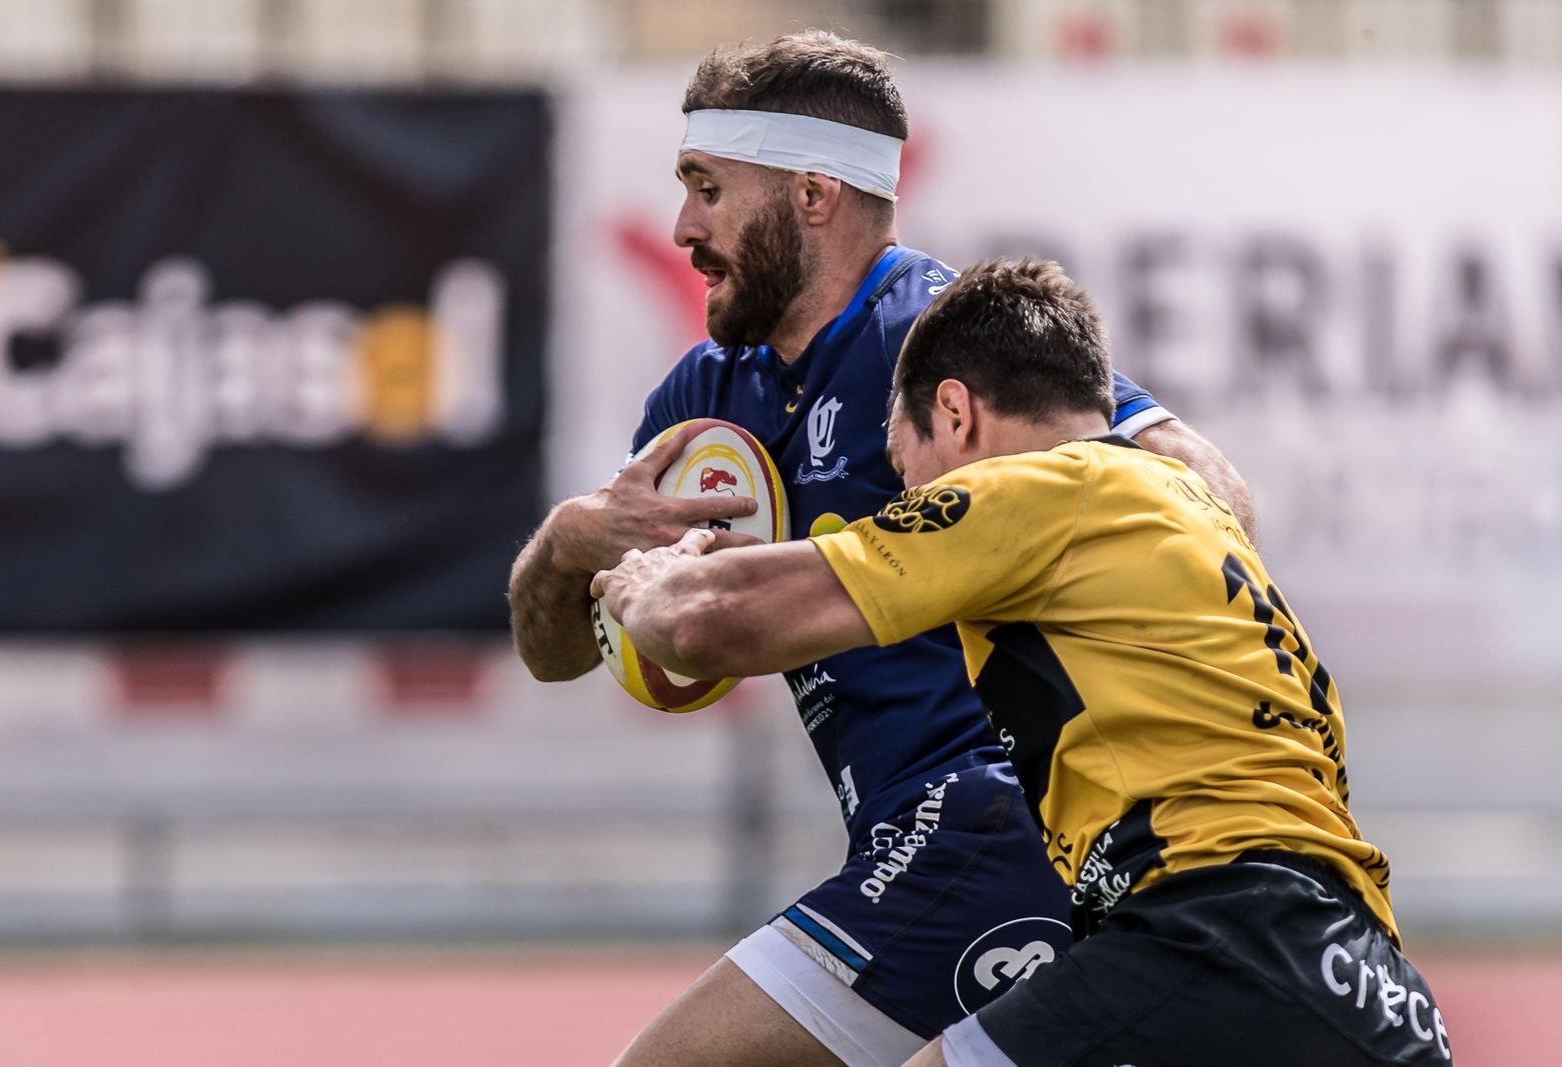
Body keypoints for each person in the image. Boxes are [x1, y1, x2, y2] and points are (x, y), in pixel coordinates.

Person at [508, 32, 1257, 1067]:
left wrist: (988, 529)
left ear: (813, 195)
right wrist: (576, 538)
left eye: (708, 188)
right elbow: (556, 650)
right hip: (914, 838)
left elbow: (1210, 494)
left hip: (997, 817)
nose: (682, 226)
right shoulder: (701, 402)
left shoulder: (939, 342)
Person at [592, 256, 1452, 1067]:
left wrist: (647, 580)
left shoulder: (1034, 491)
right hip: (1375, 983)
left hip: (1211, 931)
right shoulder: (1193, 513)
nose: (914, 495)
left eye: (907, 466)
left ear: (958, 415)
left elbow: (709, 621)